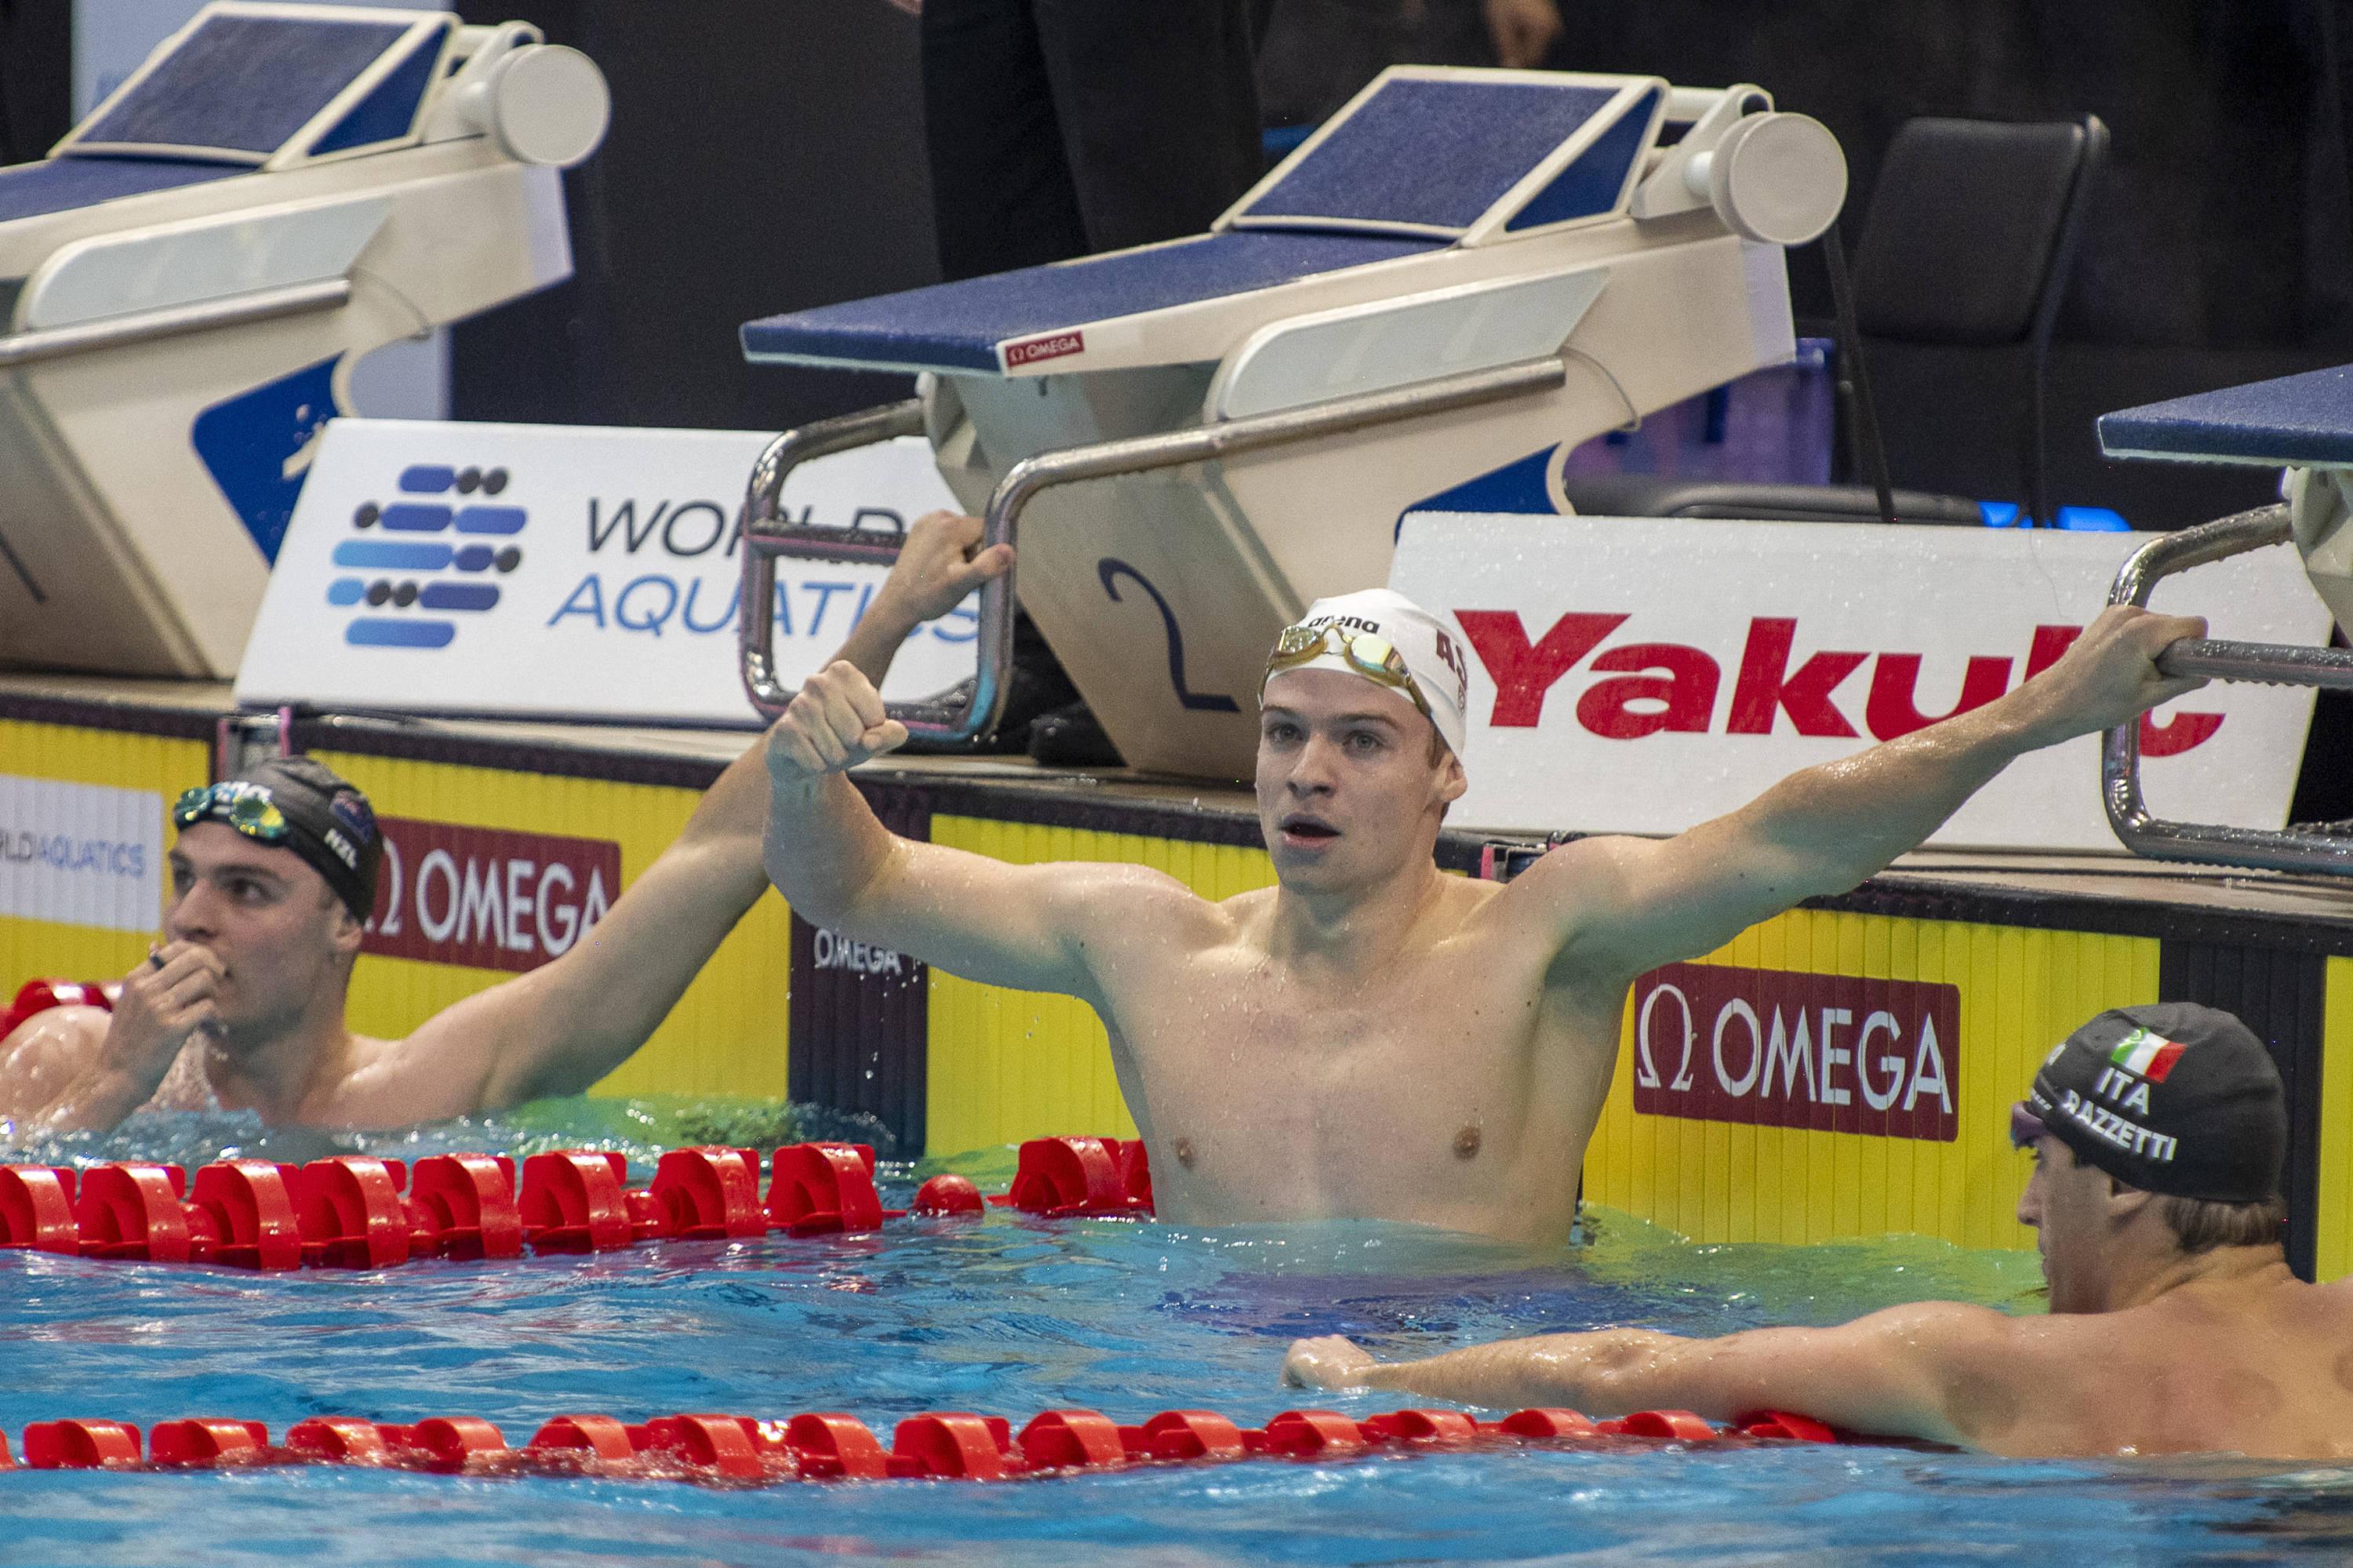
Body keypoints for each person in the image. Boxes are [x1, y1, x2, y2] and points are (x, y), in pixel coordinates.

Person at [762, 583, 2209, 1246]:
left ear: (1449, 773)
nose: (1307, 774)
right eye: (1283, 735)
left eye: (1361, 741)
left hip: (1488, 1425)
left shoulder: (1546, 938)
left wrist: (2040, 714)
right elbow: (861, 883)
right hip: (1193, 1419)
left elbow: (1802, 837)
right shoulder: (1147, 938)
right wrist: (799, 770)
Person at [0, 513, 1012, 1135]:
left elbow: (714, 852)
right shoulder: (62, 1057)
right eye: (188, 878)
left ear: (347, 926)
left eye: (247, 888)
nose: (192, 920)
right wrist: (111, 1092)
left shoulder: (425, 1091)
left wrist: (888, 624)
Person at [1282, 1002, 2353, 1461]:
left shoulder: (1993, 1363)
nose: (2028, 1208)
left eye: (2046, 1163)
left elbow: (1623, 1368)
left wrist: (1371, 1379)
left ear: (2121, 1185)